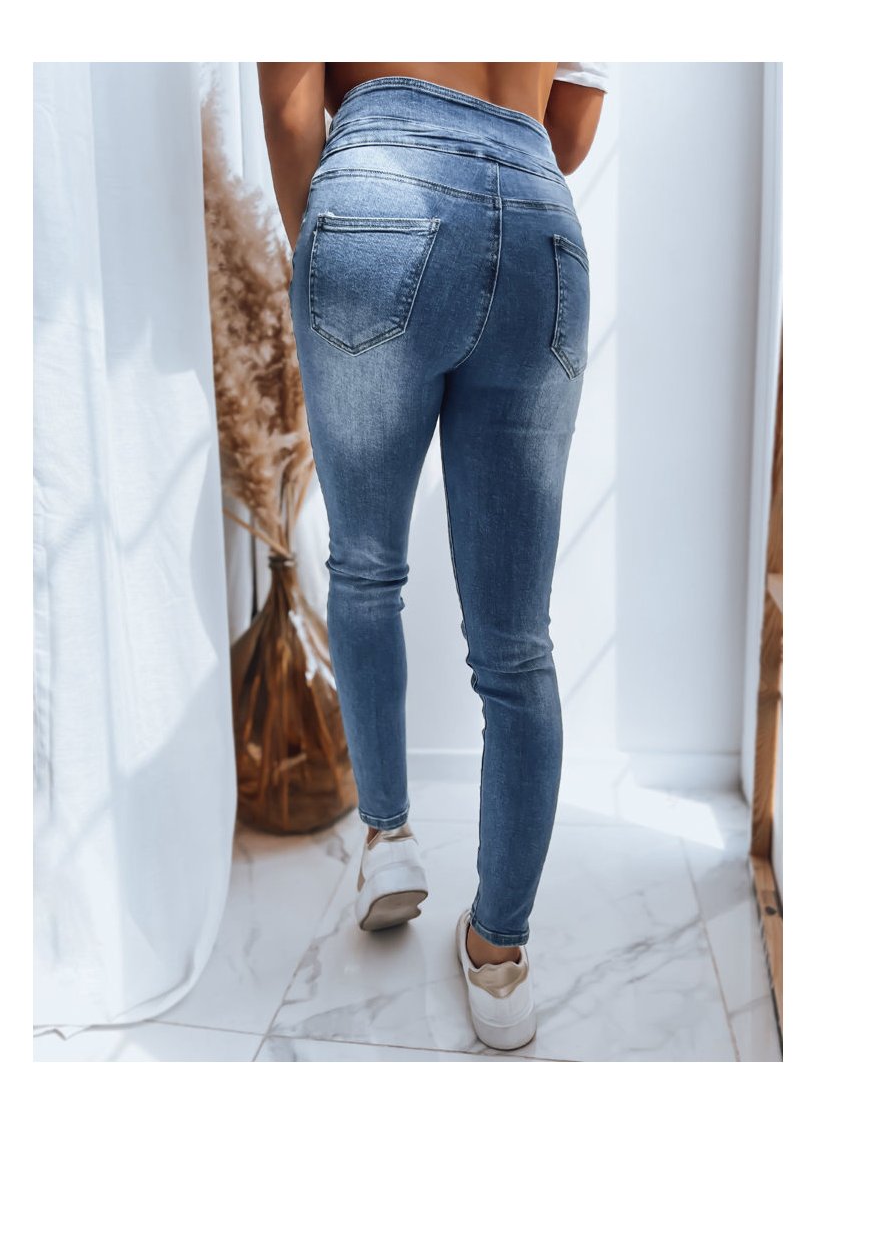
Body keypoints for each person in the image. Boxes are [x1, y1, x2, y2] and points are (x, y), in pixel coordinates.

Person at [258, 62, 607, 1050]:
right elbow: (571, 132)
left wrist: (333, 248)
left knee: (366, 567)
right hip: (539, 221)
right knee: (518, 643)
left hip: (376, 189)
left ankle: (389, 840)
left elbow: (288, 101)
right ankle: (500, 961)